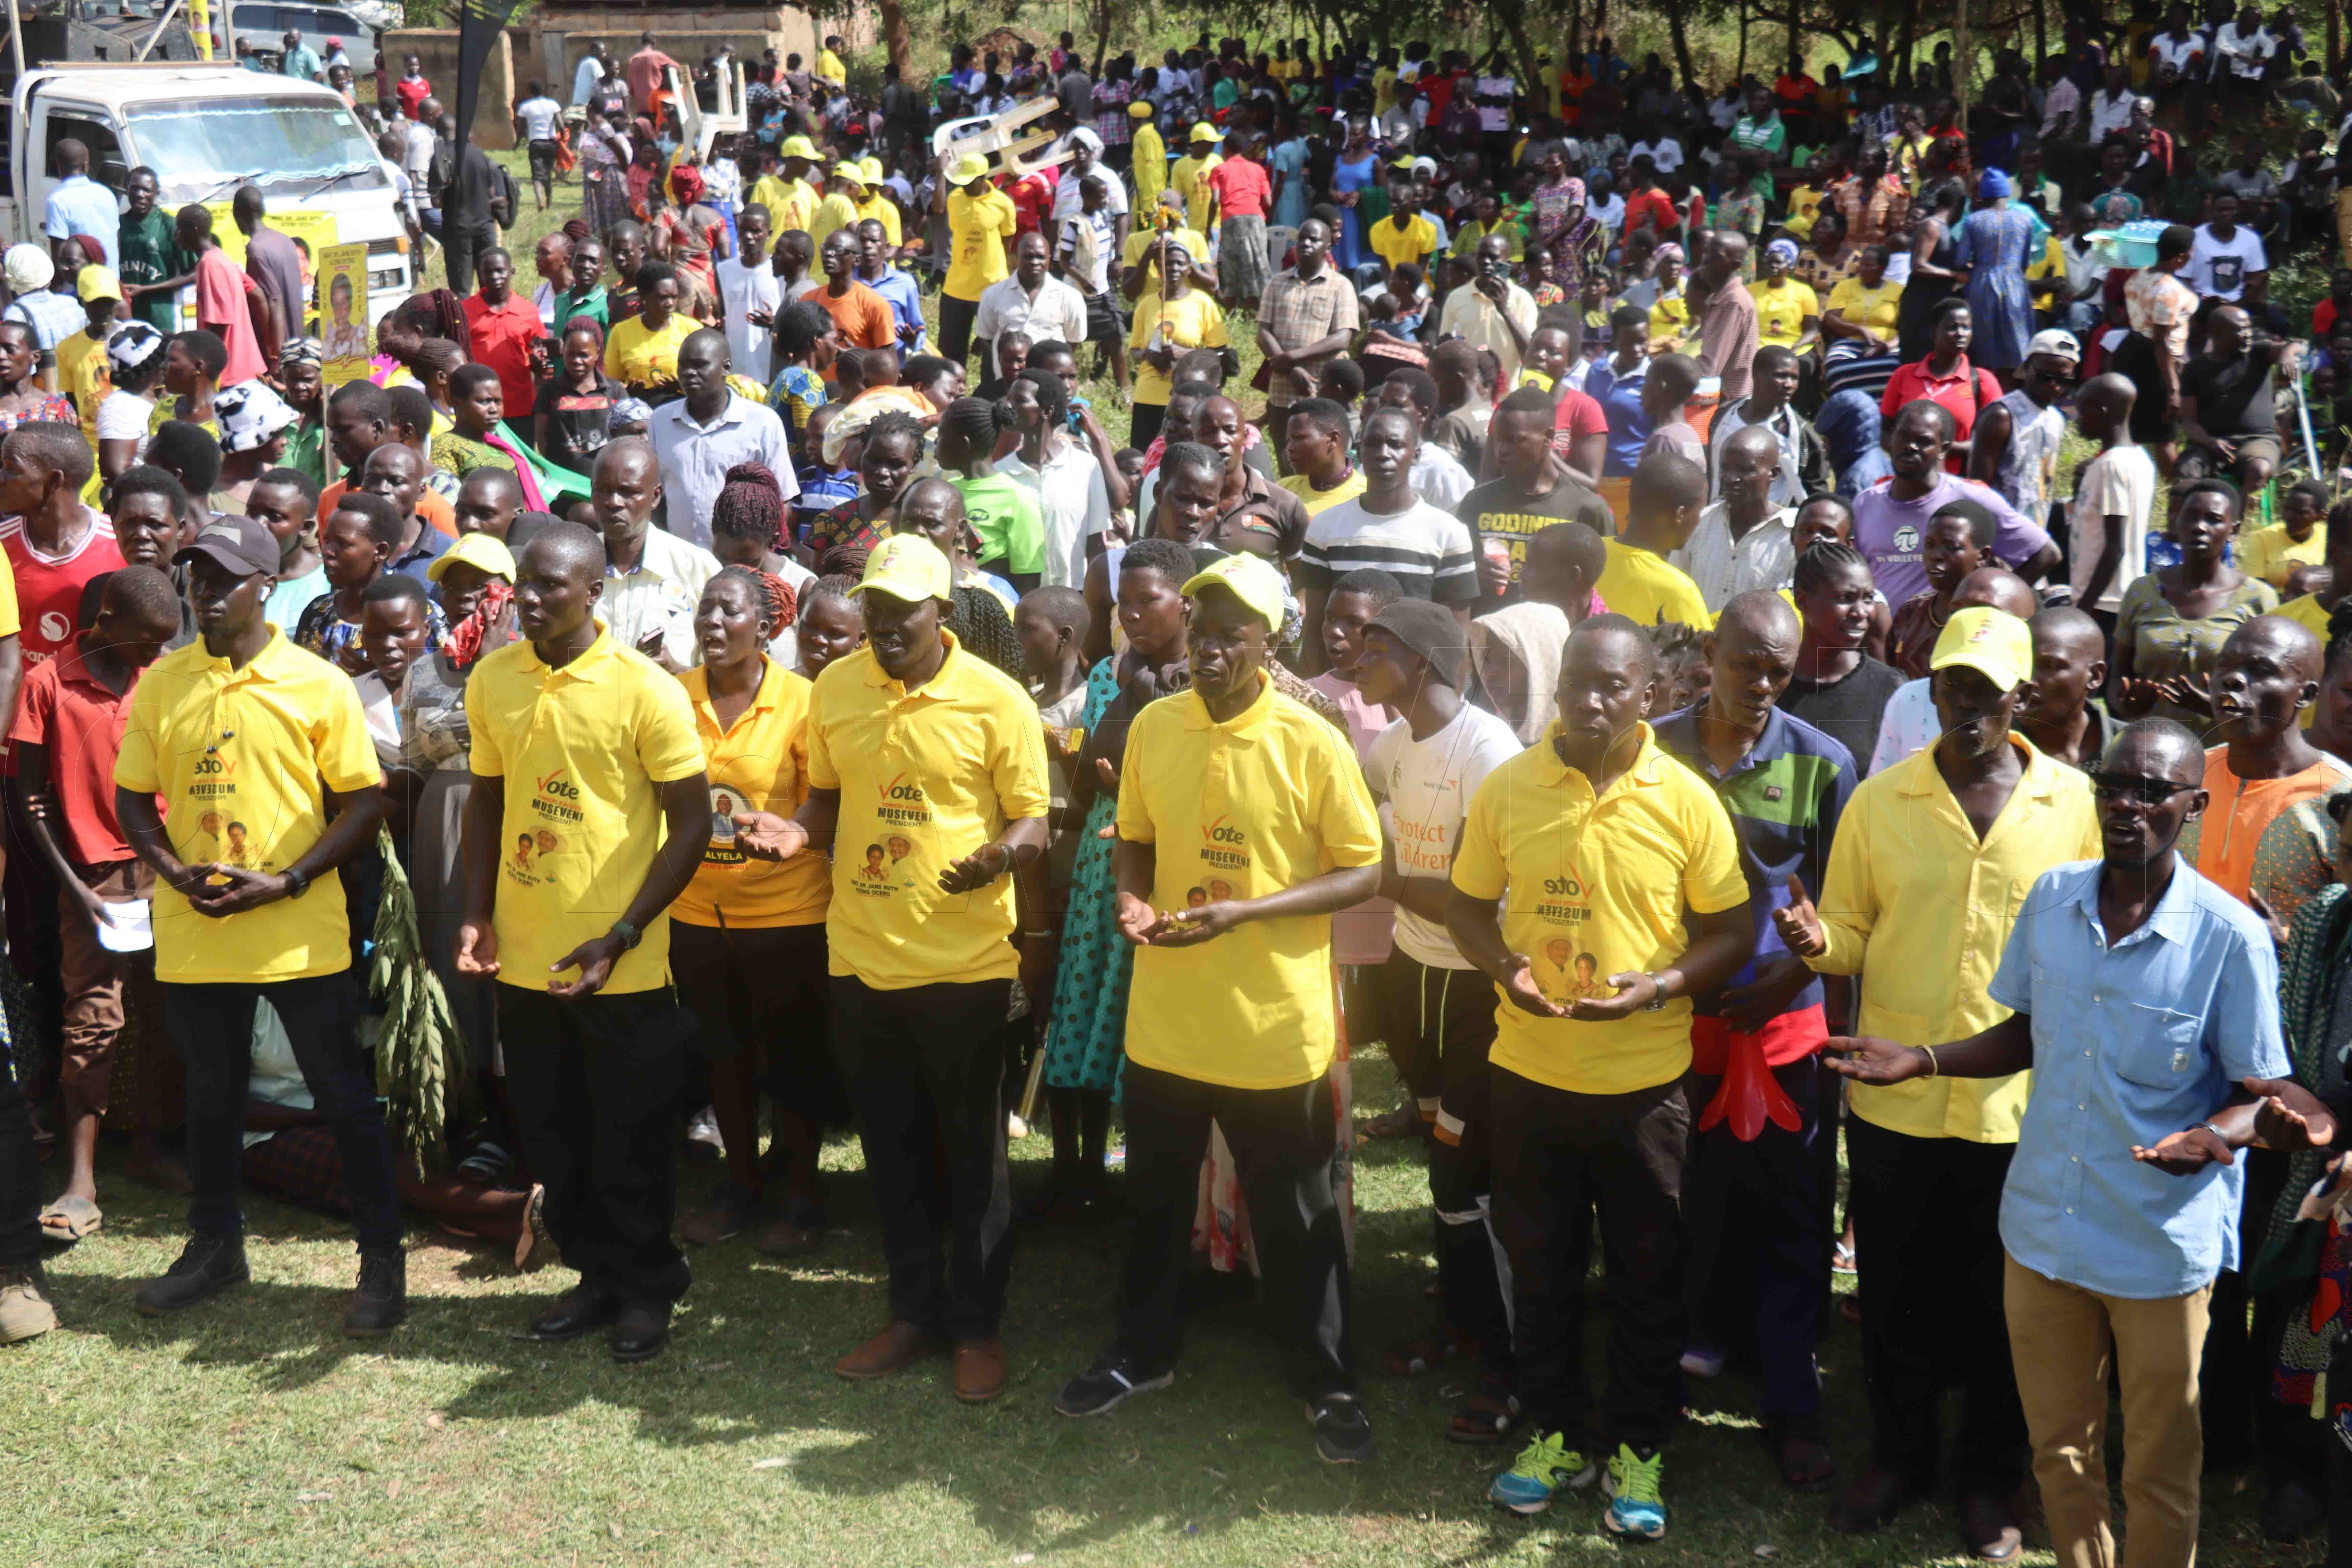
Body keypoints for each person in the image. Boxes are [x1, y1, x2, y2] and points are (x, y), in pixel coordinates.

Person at [1828, 716, 2329, 1568]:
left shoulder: (2227, 936)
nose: (2127, 804)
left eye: (2152, 790)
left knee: (2161, 1465)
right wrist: (1922, 1059)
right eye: (2113, 785)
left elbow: (2265, 1091)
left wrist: (2214, 1134)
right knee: (2060, 1451)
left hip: (2156, 1246)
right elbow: (2027, 1030)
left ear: (2193, 805)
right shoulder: (2054, 900)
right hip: (2044, 1232)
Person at [1778, 605, 2101, 1559]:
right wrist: (1816, 941)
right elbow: (1854, 930)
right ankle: (1899, 1456)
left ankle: (1992, 1480)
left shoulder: (2075, 805)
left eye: (1987, 694)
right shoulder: (1882, 802)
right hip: (1897, 1093)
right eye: (1951, 689)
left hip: (2018, 1105)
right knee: (1895, 1292)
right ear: (1932, 690)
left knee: (2008, 1306)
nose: (1966, 709)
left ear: (2022, 700)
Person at [1051, 551, 1380, 1463]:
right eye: (1202, 629)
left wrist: (1249, 912)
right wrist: (1131, 898)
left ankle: (1327, 1382)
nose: (1209, 648)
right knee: (1155, 1201)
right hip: (1168, 1022)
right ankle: (1142, 1354)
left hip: (1276, 1029)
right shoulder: (1157, 728)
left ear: (1272, 639)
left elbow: (1364, 866)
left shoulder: (1311, 740)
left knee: (1298, 1214)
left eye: (1232, 632)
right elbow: (1137, 837)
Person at [731, 533, 1050, 1405]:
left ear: (939, 612)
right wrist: (800, 830)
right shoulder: (836, 689)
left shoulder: (997, 700)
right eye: (872, 610)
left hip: (965, 964)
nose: (882, 627)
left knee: (971, 1155)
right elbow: (828, 794)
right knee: (892, 1148)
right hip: (861, 958)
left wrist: (1000, 856)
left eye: (900, 612)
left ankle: (976, 1324)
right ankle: (913, 1310)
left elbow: (1034, 818)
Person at [1453, 613, 1754, 1538]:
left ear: (1650, 698)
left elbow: (1735, 933)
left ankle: (1637, 1449)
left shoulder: (1689, 800)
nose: (1587, 701)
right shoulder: (1510, 789)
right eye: (1576, 682)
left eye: (1610, 687)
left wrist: (1660, 988)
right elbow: (1467, 907)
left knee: (1645, 1276)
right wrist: (1506, 970)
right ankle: (1553, 1436)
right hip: (1531, 1076)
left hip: (1644, 1087)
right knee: (1540, 1271)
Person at [114, 513, 401, 1332]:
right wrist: (171, 871)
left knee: (344, 1096)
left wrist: (289, 878)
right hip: (198, 924)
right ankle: (214, 1244)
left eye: (223, 579)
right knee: (210, 1094)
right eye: (195, 576)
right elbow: (133, 793)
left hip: (297, 926)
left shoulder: (317, 683)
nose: (204, 592)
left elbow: (363, 802)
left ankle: (382, 1258)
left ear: (265, 585)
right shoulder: (165, 681)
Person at [1653, 591, 1857, 1492]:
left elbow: (1843, 902)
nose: (1762, 685)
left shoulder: (1824, 762)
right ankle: (1662, 1380)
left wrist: (1798, 973)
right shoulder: (1652, 745)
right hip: (1674, 1021)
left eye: (1780, 669)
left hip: (1783, 1022)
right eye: (1746, 664)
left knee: (1790, 1218)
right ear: (1711, 652)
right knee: (1669, 1205)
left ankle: (1791, 1406)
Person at [668, 568, 843, 1255]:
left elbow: (820, 803)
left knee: (796, 1058)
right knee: (723, 1055)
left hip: (787, 914)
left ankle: (800, 1192)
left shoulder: (805, 702)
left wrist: (788, 831)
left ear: (766, 627)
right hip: (696, 913)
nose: (713, 622)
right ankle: (740, 1185)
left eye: (729, 611)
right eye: (705, 608)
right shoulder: (672, 697)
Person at [13, 567, 182, 1245]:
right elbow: (30, 801)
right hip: (93, 876)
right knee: (93, 1020)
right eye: (145, 642)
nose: (153, 655)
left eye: (163, 644)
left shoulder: (166, 676)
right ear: (105, 623)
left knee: (167, 1013)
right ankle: (81, 1180)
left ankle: (152, 1145)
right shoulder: (47, 682)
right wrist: (74, 886)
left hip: (168, 868)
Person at [2185, 616, 2352, 920]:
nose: (2233, 679)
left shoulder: (2341, 798)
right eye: (2225, 665)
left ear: (2307, 695)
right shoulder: (2186, 777)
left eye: (2262, 670)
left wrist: (2289, 940)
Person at [1297, 405, 1478, 663]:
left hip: (1414, 692)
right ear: (1359, 452)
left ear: (1415, 455)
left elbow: (1457, 638)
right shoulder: (1326, 528)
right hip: (1340, 689)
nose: (1383, 454)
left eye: (1396, 445)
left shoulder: (1448, 534)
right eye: (1373, 444)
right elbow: (1315, 627)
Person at [2112, 479, 2278, 733]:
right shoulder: (2142, 591)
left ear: (2233, 531)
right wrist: (2128, 706)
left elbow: (2269, 692)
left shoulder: (2257, 598)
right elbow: (2117, 678)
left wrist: (2212, 707)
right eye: (2190, 517)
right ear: (2177, 523)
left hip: (2224, 753)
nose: (2199, 527)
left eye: (2213, 519)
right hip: (2147, 749)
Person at [1852, 401, 2054, 608]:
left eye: (1924, 442)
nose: (1910, 447)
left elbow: (2045, 554)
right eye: (1904, 437)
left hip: (1949, 637)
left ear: (1944, 449)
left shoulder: (1972, 499)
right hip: (1881, 637)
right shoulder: (1865, 504)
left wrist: (1994, 602)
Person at [1456, 386, 1614, 607]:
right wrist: (1476, 573)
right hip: (1487, 632)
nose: (1501, 450)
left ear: (1548, 437)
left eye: (1513, 441)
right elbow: (1454, 578)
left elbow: (1605, 588)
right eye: (1497, 440)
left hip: (1556, 637)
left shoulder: (1588, 509)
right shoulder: (1476, 503)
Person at [646, 328, 793, 552]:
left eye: (700, 365)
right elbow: (654, 496)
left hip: (740, 564)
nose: (688, 373)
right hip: (678, 562)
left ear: (726, 368)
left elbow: (782, 500)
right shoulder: (660, 420)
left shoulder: (763, 423)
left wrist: (760, 555)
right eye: (683, 366)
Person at [585, 437, 719, 669]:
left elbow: (723, 673)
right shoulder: (574, 565)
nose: (614, 503)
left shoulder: (698, 569)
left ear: (656, 496)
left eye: (628, 492)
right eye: (603, 491)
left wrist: (676, 670)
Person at [0, 421, 124, 662]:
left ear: (54, 481)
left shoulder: (120, 545)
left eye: (11, 469)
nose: (1, 478)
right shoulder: (3, 544)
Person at [2065, 373, 2156, 624]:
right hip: (2109, 600)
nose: (2078, 421)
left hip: (2104, 603)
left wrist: (2084, 609)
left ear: (2103, 412)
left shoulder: (2113, 466)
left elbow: (2115, 546)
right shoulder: (2140, 459)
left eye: (2083, 412)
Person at [2178, 304, 2290, 498]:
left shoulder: (2258, 354)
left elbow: (2294, 346)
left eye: (2248, 328)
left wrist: (2287, 356)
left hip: (2258, 440)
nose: (2247, 334)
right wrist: (2211, 443)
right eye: (2240, 330)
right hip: (2212, 442)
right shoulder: (2195, 369)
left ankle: (2237, 519)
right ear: (2217, 334)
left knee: (2259, 469)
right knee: (2187, 473)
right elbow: (2189, 421)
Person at [1596, 450, 1711, 630]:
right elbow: (1702, 655)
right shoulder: (1678, 590)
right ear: (1680, 514)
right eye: (1699, 511)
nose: (1699, 521)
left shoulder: (1592, 555)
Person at [174, 206, 273, 387]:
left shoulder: (210, 264)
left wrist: (204, 363)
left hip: (228, 375)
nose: (176, 235)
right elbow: (257, 294)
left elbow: (220, 322)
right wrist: (267, 343)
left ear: (194, 230)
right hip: (247, 368)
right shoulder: (221, 258)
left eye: (180, 228)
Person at [974, 232, 1089, 384]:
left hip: (1050, 383)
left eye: (1041, 257)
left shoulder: (1070, 297)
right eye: (1029, 257)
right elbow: (987, 337)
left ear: (1049, 259)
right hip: (1008, 383)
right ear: (1018, 258)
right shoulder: (994, 294)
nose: (1035, 262)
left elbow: (1073, 341)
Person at [2016, 607, 2118, 771]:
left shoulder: (2133, 750)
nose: (2028, 679)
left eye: (2051, 666)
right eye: (2022, 663)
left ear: (2095, 676)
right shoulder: (1988, 746)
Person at [941, 154, 1018, 368]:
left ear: (984, 178)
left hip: (991, 289)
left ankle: (989, 398)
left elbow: (1007, 243)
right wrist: (940, 172)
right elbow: (939, 211)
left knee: (992, 353)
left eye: (970, 181)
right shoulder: (954, 198)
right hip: (955, 288)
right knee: (950, 355)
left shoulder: (1003, 204)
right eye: (962, 181)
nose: (964, 186)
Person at [1437, 234, 1539, 387]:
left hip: (1507, 396)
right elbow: (1445, 346)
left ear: (1507, 264)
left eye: (1493, 258)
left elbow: (1529, 355)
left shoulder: (1522, 299)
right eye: (1481, 256)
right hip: (1469, 395)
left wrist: (1504, 310)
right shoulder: (1456, 297)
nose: (1486, 262)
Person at [461, 249, 546, 427]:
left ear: (512, 272)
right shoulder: (465, 311)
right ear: (480, 275)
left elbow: (541, 360)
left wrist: (539, 360)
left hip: (520, 407)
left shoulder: (529, 312)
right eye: (488, 272)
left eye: (500, 271)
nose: (495, 277)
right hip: (480, 408)